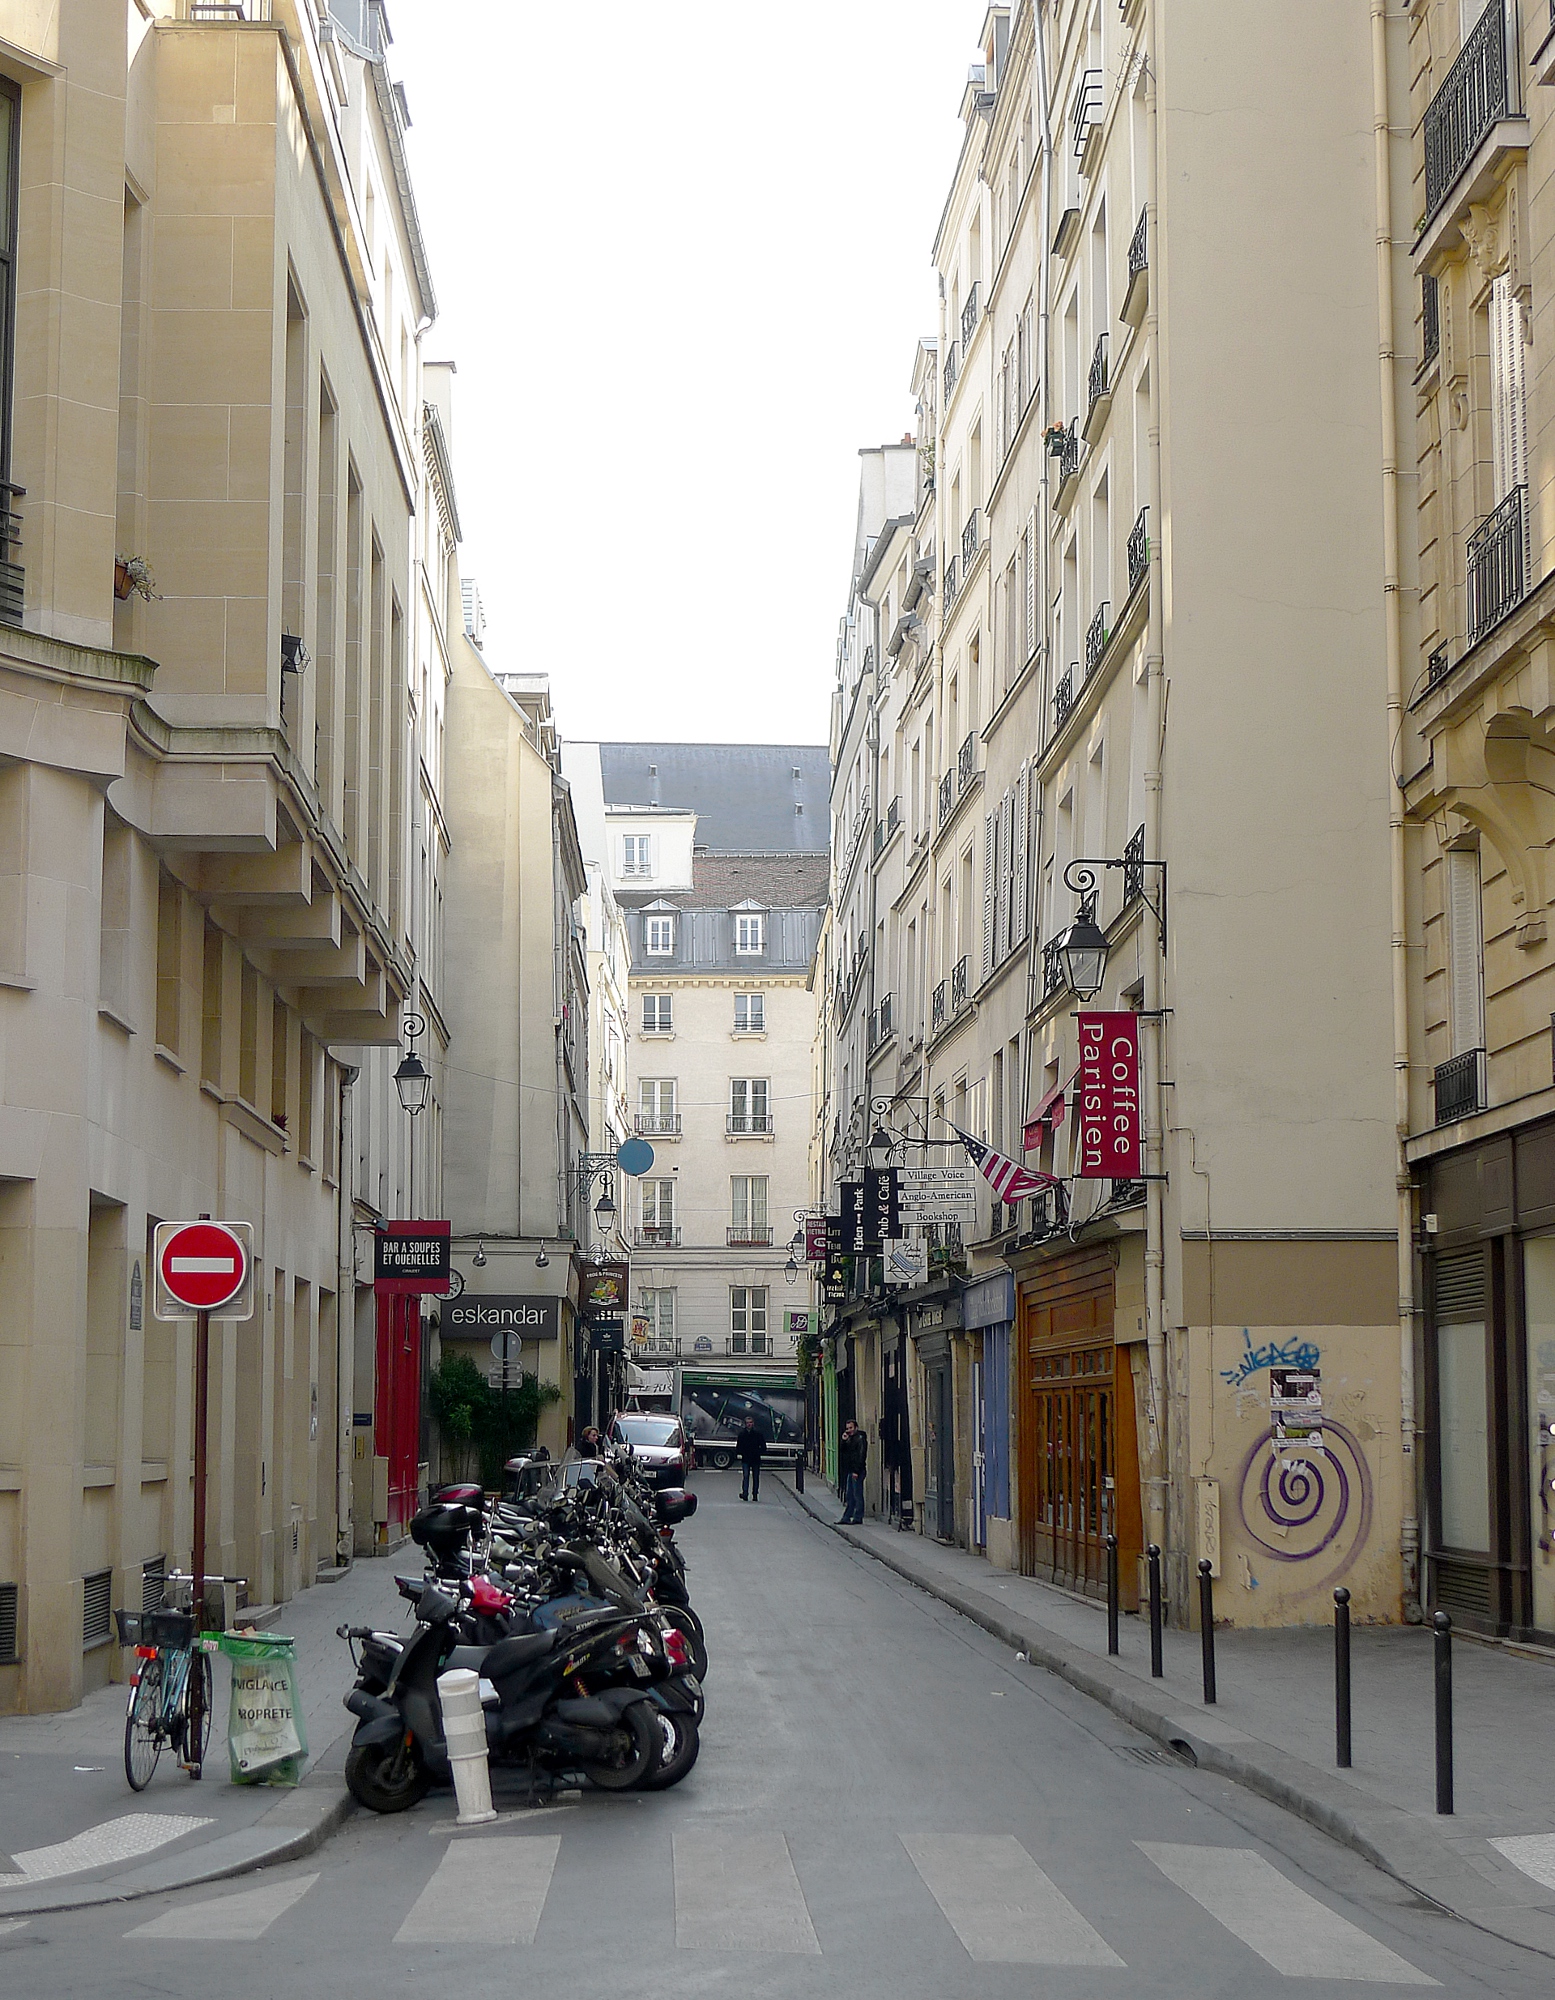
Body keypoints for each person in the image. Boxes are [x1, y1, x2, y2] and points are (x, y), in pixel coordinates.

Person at [838, 1419, 868, 1524]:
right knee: (850, 1495)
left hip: (857, 1471)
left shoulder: (860, 1438)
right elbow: (843, 1451)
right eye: (847, 1428)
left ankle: (858, 1517)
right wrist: (844, 1440)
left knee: (857, 1495)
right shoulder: (850, 1438)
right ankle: (847, 1517)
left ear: (856, 1427)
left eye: (851, 1428)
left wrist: (856, 1471)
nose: (849, 1430)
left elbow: (861, 1456)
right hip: (851, 1470)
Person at [735, 1415, 765, 1501]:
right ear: (745, 1424)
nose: (749, 1424)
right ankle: (745, 1493)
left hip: (755, 1458)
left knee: (756, 1477)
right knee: (746, 1476)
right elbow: (738, 1446)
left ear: (753, 1423)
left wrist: (758, 1452)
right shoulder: (742, 1434)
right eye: (747, 1423)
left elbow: (763, 1446)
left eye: (750, 1422)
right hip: (746, 1458)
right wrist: (741, 1453)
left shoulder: (758, 1434)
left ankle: (755, 1494)